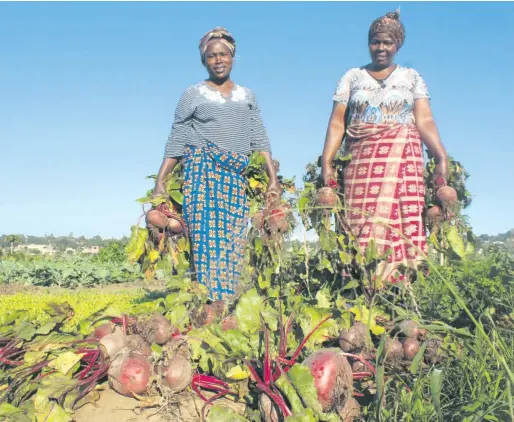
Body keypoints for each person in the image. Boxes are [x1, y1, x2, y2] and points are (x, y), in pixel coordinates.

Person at [152, 27, 281, 301]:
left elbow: (258, 137)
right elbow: (177, 136)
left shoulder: (247, 96)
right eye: (212, 56)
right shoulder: (193, 94)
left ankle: (229, 302)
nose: (218, 60)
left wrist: (273, 179)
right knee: (205, 241)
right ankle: (209, 304)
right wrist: (161, 180)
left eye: (223, 54)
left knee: (234, 240)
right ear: (204, 61)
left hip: (237, 176)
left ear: (233, 58)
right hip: (202, 172)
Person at [321, 10, 449, 282]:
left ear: (397, 45)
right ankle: (360, 292)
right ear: (368, 43)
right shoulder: (352, 77)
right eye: (375, 42)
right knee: (360, 224)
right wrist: (327, 162)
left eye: (387, 42)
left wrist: (441, 156)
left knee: (400, 223)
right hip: (360, 163)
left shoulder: (411, 78)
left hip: (403, 157)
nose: (380, 48)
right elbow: (337, 123)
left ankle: (401, 292)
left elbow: (424, 120)